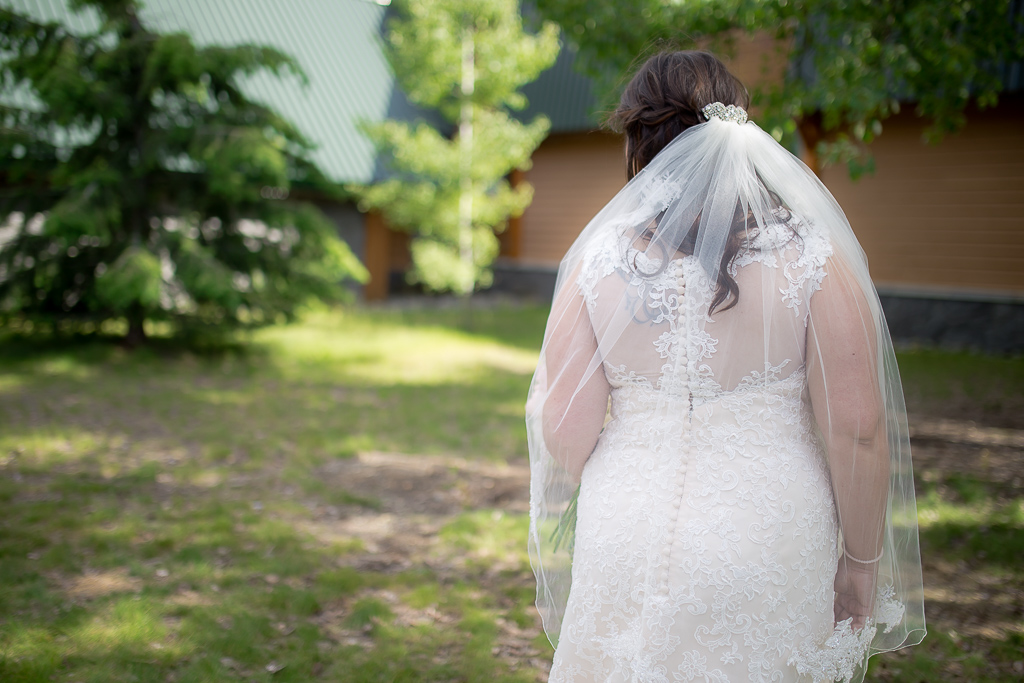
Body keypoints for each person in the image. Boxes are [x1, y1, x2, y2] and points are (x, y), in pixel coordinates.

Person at [525, 51, 926, 683]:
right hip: (768, 531)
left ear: (639, 140)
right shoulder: (812, 258)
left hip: (624, 530)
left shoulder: (598, 260)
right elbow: (859, 428)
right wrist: (862, 560)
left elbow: (567, 428)